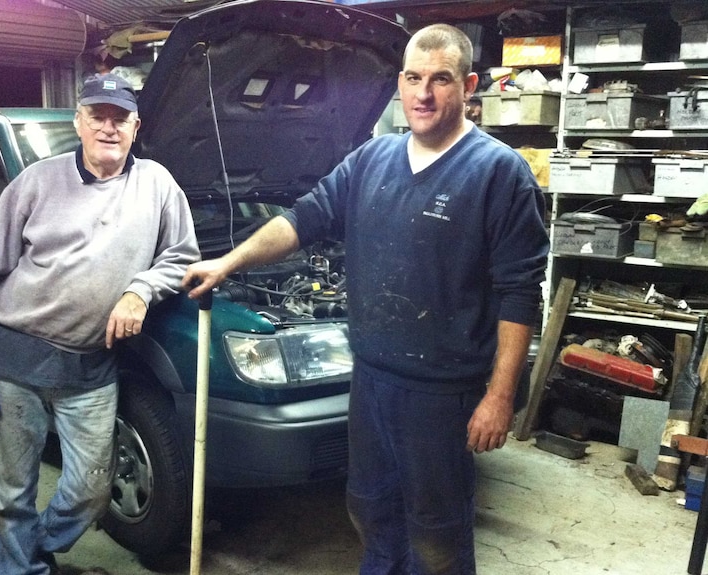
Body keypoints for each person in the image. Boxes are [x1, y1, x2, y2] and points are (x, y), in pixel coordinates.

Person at [183, 24, 549, 575]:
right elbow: (303, 219)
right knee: (370, 507)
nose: (424, 94)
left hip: (443, 394)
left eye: (441, 80)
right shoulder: (371, 159)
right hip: (371, 379)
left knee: (436, 531)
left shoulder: (499, 172)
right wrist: (229, 261)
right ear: (400, 83)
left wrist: (498, 398)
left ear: (469, 85)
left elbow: (520, 293)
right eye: (414, 78)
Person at [0, 73, 200, 575]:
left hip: (91, 367)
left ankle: (30, 551)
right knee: (10, 492)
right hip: (16, 357)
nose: (109, 128)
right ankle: (20, 570)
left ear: (136, 126)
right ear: (78, 122)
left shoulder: (156, 183)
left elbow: (182, 256)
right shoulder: (38, 181)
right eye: (97, 116)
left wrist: (139, 290)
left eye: (120, 119)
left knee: (91, 489)